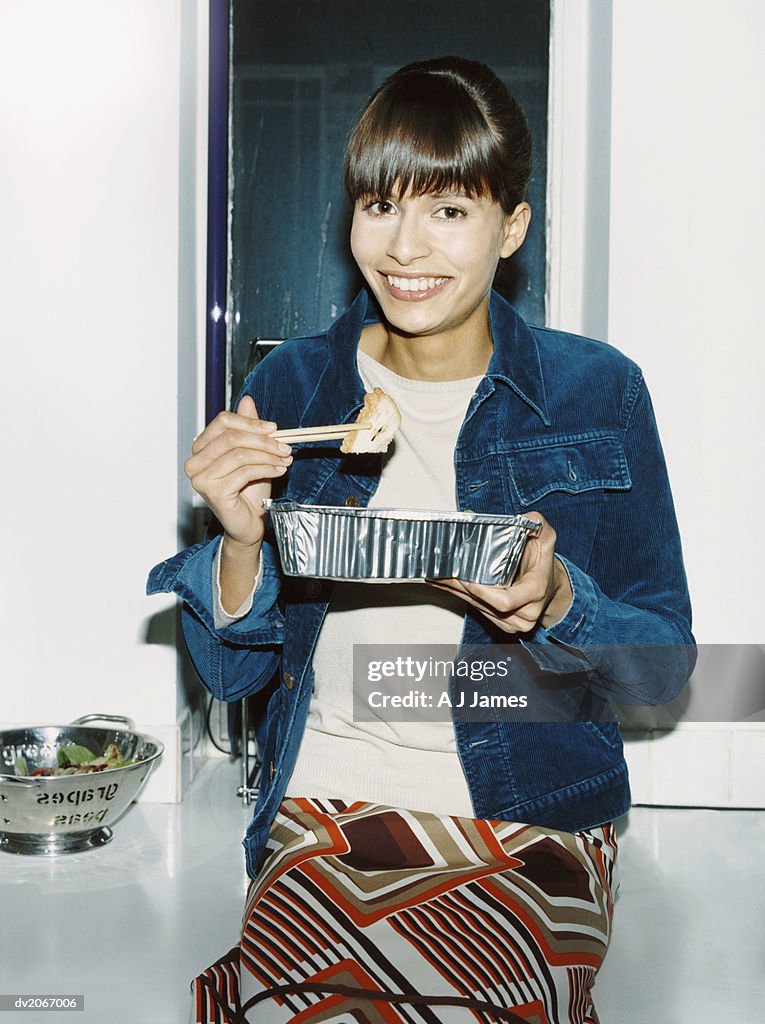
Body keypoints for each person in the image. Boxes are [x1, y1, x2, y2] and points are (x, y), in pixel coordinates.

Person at [148, 56, 695, 1024]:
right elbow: (233, 680)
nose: (405, 247)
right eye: (379, 205)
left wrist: (557, 599)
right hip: (324, 799)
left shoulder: (595, 390)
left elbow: (660, 670)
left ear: (510, 226)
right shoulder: (291, 393)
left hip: (536, 807)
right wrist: (240, 541)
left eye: (449, 211)